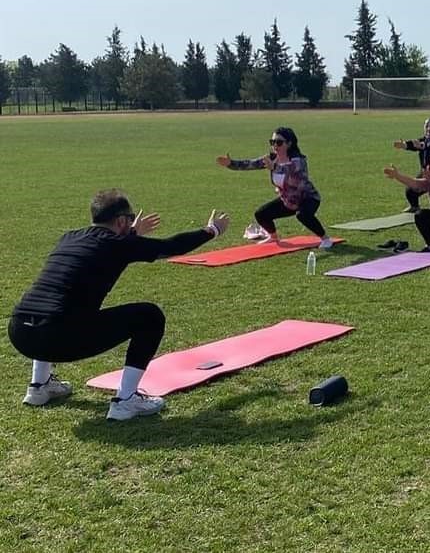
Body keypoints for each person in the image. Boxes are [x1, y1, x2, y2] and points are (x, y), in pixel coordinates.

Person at [8, 189, 230, 420]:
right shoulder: (118, 244)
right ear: (122, 220)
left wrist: (131, 233)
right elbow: (171, 247)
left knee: (57, 304)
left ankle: (39, 386)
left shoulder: (69, 237)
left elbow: (105, 249)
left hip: (20, 332)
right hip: (59, 336)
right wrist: (211, 230)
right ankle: (126, 401)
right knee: (149, 316)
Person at [216, 126, 331, 248]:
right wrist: (230, 163)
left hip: (307, 198)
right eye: (273, 142)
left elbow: (292, 171)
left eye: (279, 142)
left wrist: (274, 167)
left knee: (302, 215)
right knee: (261, 214)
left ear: (289, 143)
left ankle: (325, 239)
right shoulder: (272, 159)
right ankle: (273, 237)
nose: (275, 145)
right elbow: (250, 164)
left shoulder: (298, 160)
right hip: (288, 200)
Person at [392, 117, 430, 214]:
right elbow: (416, 144)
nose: (429, 129)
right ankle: (415, 207)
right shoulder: (425, 140)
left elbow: (427, 144)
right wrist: (404, 145)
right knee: (410, 190)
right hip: (426, 173)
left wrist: (421, 145)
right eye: (427, 126)